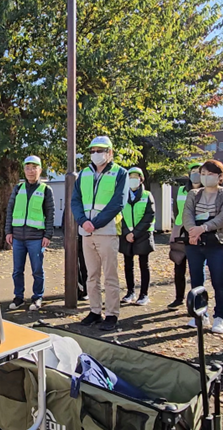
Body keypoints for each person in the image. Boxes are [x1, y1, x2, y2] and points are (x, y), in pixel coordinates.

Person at [71, 136, 129, 331]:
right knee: (91, 275)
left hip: (107, 231)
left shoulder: (120, 173)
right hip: (86, 232)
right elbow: (75, 200)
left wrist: (94, 223)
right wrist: (82, 221)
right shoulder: (84, 174)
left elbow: (118, 202)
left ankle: (112, 314)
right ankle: (95, 311)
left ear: (110, 152)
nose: (96, 154)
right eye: (93, 151)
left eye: (100, 150)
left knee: (110, 276)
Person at [182, 159, 223, 334]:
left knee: (219, 281)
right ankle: (200, 314)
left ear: (220, 176)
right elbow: (187, 213)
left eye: (211, 174)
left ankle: (220, 316)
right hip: (194, 241)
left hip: (217, 241)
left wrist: (204, 228)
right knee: (196, 280)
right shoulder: (194, 193)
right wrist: (192, 231)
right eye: (203, 174)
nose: (206, 177)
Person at [5, 156, 55, 311]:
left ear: (40, 170)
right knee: (17, 271)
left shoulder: (45, 190)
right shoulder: (18, 188)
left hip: (36, 238)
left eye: (34, 168)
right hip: (18, 237)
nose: (31, 171)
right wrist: (8, 231)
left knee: (37, 270)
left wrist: (48, 235)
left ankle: (37, 297)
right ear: (24, 170)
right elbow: (10, 211)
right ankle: (18, 297)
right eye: (28, 168)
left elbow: (50, 214)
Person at [119, 167, 155, 306]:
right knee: (128, 265)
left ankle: (144, 294)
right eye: (130, 177)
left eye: (136, 177)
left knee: (143, 265)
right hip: (126, 235)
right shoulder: (122, 195)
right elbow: (118, 215)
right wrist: (126, 232)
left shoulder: (147, 195)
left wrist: (136, 233)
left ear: (141, 180)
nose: (133, 180)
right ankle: (130, 292)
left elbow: (149, 215)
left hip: (143, 235)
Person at [168, 163, 202, 309]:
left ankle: (197, 300)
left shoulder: (206, 191)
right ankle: (179, 297)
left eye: (199, 171)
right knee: (178, 265)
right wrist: (177, 227)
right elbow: (176, 210)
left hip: (197, 231)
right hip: (180, 231)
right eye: (193, 171)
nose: (195, 174)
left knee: (196, 268)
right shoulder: (182, 190)